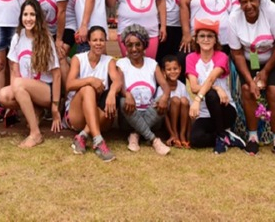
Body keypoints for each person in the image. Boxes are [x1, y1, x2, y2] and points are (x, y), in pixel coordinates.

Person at [229, 0, 275, 159]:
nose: (249, 5)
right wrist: (250, 80)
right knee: (248, 91)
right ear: (239, 3)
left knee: (274, 92)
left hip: (272, 58)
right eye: (244, 2)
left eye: (252, 0)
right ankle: (253, 137)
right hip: (249, 60)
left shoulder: (270, 11)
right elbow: (237, 53)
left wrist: (265, 72)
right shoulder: (234, 18)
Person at [0, 0, 62, 148]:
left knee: (18, 84)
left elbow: (57, 75)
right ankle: (35, 112)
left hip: (46, 91)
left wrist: (54, 107)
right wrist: (12, 103)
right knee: (3, 95)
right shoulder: (17, 37)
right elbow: (14, 70)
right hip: (25, 88)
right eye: (25, 14)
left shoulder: (46, 39)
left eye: (32, 14)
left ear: (38, 17)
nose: (28, 18)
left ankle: (35, 134)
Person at [187, 19, 245, 154]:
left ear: (215, 40)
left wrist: (197, 100)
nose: (206, 39)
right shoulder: (191, 58)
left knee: (211, 96)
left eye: (210, 36)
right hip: (205, 114)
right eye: (202, 36)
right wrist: (217, 88)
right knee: (195, 139)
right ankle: (226, 136)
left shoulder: (222, 56)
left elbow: (212, 78)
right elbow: (194, 87)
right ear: (196, 40)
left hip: (225, 109)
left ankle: (220, 137)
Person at [65, 25, 120, 162]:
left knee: (113, 96)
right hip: (76, 114)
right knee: (88, 88)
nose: (98, 43)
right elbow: (69, 85)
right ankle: (98, 141)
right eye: (95, 40)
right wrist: (90, 80)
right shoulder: (78, 59)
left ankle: (83, 135)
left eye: (101, 40)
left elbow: (117, 81)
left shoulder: (109, 61)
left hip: (99, 116)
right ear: (89, 42)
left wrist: (112, 92)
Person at [116, 24, 171, 155]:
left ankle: (135, 135)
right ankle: (153, 140)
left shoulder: (152, 64)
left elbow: (165, 87)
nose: (134, 49)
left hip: (151, 118)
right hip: (128, 119)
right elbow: (120, 87)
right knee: (123, 101)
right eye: (130, 45)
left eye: (138, 44)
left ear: (145, 45)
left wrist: (165, 97)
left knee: (165, 101)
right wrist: (127, 94)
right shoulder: (121, 64)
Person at [161, 55, 190, 148]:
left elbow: (188, 107)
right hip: (167, 123)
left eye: (175, 68)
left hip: (181, 121)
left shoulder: (182, 86)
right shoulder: (161, 88)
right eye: (169, 69)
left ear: (180, 69)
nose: (172, 72)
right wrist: (172, 133)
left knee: (184, 100)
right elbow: (163, 114)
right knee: (175, 100)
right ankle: (175, 135)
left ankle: (183, 135)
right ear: (163, 72)